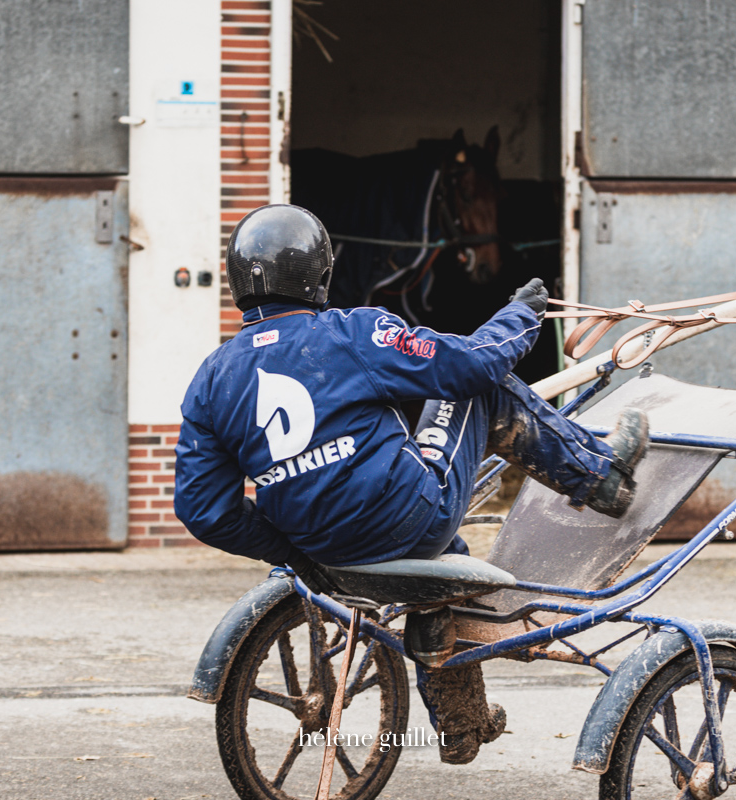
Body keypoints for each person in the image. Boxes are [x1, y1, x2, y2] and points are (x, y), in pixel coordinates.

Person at [175, 204, 649, 763]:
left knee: (449, 558)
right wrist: (521, 315)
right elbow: (473, 364)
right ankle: (602, 477)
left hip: (322, 553)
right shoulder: (353, 331)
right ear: (320, 275)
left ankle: (461, 722)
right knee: (477, 390)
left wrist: (291, 550)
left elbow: (203, 509)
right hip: (409, 519)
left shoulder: (211, 377)